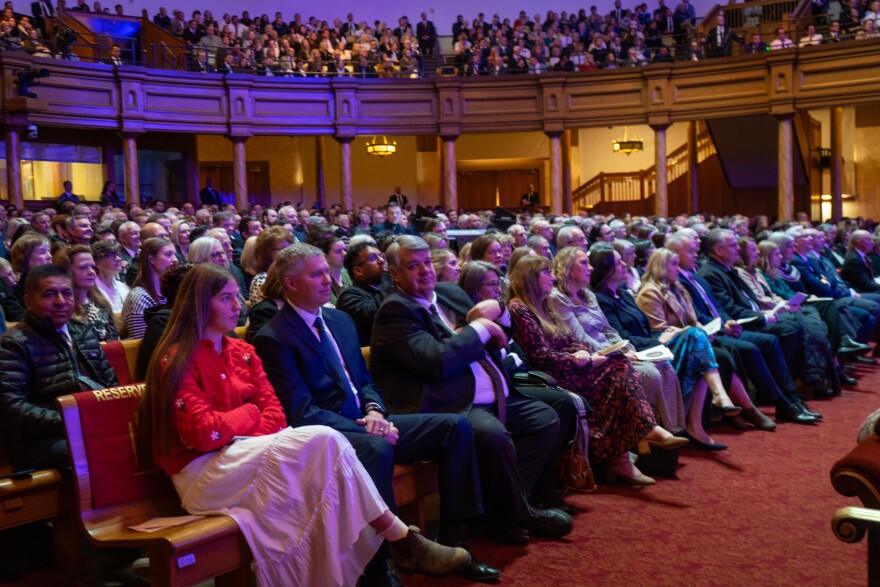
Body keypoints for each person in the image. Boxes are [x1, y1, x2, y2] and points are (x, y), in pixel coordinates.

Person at [141, 264, 471, 587]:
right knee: (326, 442)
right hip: (204, 473)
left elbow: (277, 417)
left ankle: (385, 553)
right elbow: (202, 433)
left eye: (236, 296)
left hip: (246, 456)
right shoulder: (177, 359)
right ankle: (400, 541)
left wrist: (240, 423)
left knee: (329, 457)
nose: (237, 305)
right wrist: (250, 414)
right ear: (200, 303)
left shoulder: (242, 352)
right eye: (226, 298)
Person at [252, 243, 499, 584]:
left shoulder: (340, 320)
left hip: (370, 420)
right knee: (379, 449)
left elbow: (364, 380)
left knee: (455, 427)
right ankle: (380, 567)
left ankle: (451, 540)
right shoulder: (274, 337)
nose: (329, 279)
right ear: (291, 284)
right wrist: (365, 426)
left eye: (328, 271)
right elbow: (302, 412)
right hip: (329, 436)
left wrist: (374, 410)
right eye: (317, 274)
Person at [370, 235, 573, 544]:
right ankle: (518, 511)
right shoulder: (396, 310)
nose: (424, 270)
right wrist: (480, 329)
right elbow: (437, 361)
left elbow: (507, 332)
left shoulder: (448, 292)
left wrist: (499, 309)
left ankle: (503, 509)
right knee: (492, 435)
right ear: (395, 274)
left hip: (494, 393)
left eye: (427, 262)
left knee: (545, 417)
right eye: (413, 265)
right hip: (449, 404)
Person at [508, 254, 688, 486]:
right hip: (551, 377)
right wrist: (577, 359)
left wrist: (580, 351)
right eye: (546, 272)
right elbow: (541, 356)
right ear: (530, 277)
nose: (552, 277)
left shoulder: (543, 304)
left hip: (571, 367)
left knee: (618, 367)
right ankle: (639, 439)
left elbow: (568, 339)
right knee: (618, 368)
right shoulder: (519, 310)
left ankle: (624, 455)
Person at [548, 247, 689, 435]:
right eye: (584, 263)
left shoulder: (587, 294)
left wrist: (629, 349)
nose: (590, 268)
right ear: (567, 267)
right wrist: (618, 354)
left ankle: (673, 429)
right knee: (650, 373)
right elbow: (580, 338)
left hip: (614, 351)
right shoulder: (558, 298)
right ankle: (647, 435)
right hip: (595, 357)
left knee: (665, 366)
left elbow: (608, 330)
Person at [0, 264, 117, 470]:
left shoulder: (82, 332)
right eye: (49, 294)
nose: (60, 302)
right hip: (39, 440)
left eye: (66, 293)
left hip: (91, 424)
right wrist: (72, 420)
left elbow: (109, 383)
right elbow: (11, 409)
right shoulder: (14, 344)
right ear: (28, 301)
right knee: (95, 450)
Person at [53, 245, 119, 342]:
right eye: (83, 267)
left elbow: (115, 345)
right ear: (66, 272)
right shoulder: (60, 311)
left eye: (92, 267)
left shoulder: (102, 305)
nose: (91, 272)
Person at [336, 242, 393, 346]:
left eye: (381, 256)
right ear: (358, 271)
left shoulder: (389, 286)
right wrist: (387, 275)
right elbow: (378, 313)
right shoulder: (348, 296)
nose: (381, 261)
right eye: (372, 258)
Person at [122, 237, 176, 339]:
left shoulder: (170, 292)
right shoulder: (140, 296)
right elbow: (142, 340)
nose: (175, 259)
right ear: (152, 259)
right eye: (168, 254)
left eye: (175, 254)